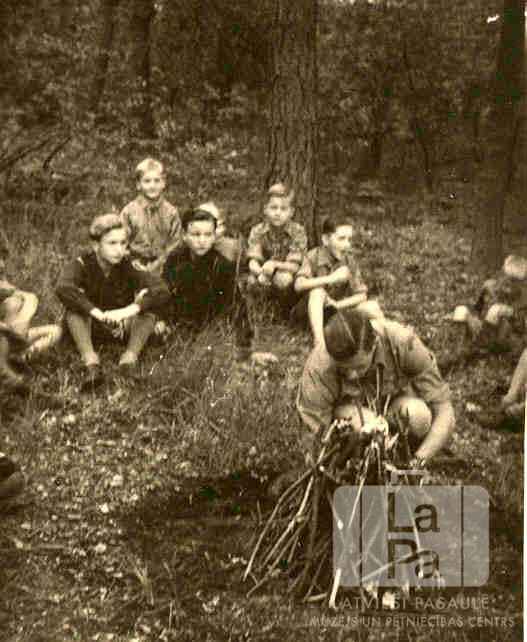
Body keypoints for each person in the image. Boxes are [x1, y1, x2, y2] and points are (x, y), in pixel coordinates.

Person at [297, 308, 455, 467]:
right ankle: (364, 458)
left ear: (375, 345)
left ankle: (399, 454)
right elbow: (314, 435)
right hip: (351, 419)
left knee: (418, 415)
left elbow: (444, 410)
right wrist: (327, 464)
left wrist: (419, 461)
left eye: (359, 367)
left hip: (394, 408)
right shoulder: (319, 366)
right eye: (344, 369)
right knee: (368, 426)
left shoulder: (402, 342)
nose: (351, 376)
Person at [56, 213, 170, 376]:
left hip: (120, 327)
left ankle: (129, 359)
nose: (119, 250)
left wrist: (127, 312)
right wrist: (96, 313)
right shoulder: (81, 264)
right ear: (96, 245)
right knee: (74, 310)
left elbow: (161, 288)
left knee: (149, 307)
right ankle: (90, 361)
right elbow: (63, 287)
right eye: (112, 243)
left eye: (123, 243)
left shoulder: (127, 265)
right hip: (90, 328)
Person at [162, 207, 253, 353]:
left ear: (214, 237)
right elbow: (165, 292)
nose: (202, 241)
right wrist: (163, 319)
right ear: (184, 235)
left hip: (209, 323)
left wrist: (243, 343)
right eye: (196, 234)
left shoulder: (221, 265)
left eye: (208, 235)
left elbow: (234, 306)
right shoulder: (175, 259)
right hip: (180, 321)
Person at [292, 215, 370, 347]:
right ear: (326, 240)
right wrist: (331, 278)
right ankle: (320, 343)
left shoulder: (348, 260)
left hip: (334, 310)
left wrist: (337, 305)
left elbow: (362, 295)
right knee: (317, 292)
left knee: (372, 307)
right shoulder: (313, 256)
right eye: (341, 239)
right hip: (307, 313)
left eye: (349, 239)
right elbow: (298, 285)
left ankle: (387, 338)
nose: (347, 245)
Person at [0, 239, 62, 391]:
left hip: (13, 336)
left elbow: (27, 296)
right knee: (12, 304)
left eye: (2, 259)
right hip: (5, 335)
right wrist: (9, 331)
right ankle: (4, 371)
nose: (1, 264)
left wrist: (22, 321)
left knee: (55, 331)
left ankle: (20, 359)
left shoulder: (2, 280)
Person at [446, 255, 527, 366]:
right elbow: (476, 308)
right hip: (483, 329)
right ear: (502, 273)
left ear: (522, 283)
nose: (509, 283)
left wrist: (511, 314)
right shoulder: (490, 287)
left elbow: (521, 329)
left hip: (503, 338)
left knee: (496, 310)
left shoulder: (523, 298)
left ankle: (476, 352)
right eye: (507, 277)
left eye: (515, 281)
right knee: (461, 310)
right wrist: (470, 317)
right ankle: (453, 354)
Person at [246, 183, 307, 311]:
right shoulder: (258, 230)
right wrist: (261, 272)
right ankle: (259, 313)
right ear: (265, 209)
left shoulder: (297, 231)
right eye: (273, 208)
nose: (278, 213)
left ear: (291, 212)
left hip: (287, 273)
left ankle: (284, 311)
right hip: (263, 273)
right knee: (250, 281)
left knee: (284, 279)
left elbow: (294, 266)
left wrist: (274, 265)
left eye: (283, 209)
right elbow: (252, 261)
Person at [120, 158, 181, 274]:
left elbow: (175, 243)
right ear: (138, 185)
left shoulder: (171, 212)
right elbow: (121, 241)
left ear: (163, 183)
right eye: (147, 181)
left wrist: (159, 262)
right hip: (135, 265)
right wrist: (131, 260)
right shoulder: (129, 212)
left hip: (163, 265)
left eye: (157, 181)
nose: (152, 186)